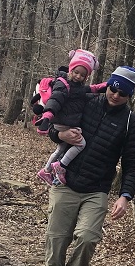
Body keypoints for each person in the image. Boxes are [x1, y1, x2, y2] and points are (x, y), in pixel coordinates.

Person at [40, 64, 135, 266]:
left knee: (86, 239)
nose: (115, 95)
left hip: (97, 189)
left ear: (129, 96)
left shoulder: (131, 122)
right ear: (107, 85)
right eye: (113, 88)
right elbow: (56, 125)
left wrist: (125, 196)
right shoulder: (86, 101)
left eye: (122, 93)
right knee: (56, 242)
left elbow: (132, 163)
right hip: (65, 182)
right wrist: (58, 132)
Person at [35, 49, 107, 186]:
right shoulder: (63, 85)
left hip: (65, 123)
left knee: (60, 149)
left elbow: (92, 89)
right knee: (81, 144)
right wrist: (47, 117)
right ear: (71, 70)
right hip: (64, 123)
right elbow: (55, 101)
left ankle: (46, 170)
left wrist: (106, 86)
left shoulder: (78, 87)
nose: (78, 76)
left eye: (82, 75)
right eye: (76, 72)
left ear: (86, 77)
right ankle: (61, 165)